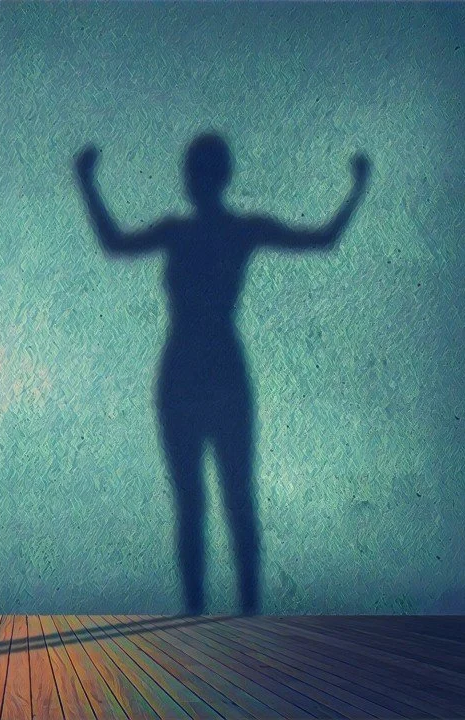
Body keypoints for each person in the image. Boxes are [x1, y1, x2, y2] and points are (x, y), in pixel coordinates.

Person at [74, 133, 369, 615]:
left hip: (197, 371)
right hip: (204, 372)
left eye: (199, 171)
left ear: (209, 177)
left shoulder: (199, 232)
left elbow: (322, 239)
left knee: (215, 500)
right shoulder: (226, 231)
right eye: (194, 171)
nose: (195, 180)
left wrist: (87, 181)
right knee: (216, 500)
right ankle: (222, 618)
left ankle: (223, 618)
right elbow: (322, 239)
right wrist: (357, 188)